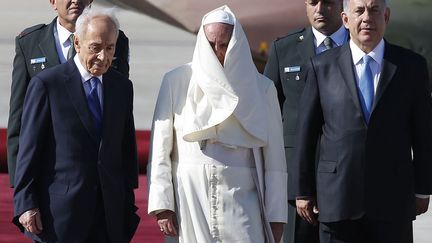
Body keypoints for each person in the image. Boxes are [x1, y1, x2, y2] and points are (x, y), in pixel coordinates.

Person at [293, 0, 432, 242]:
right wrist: (303, 190)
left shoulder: (411, 66)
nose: (367, 17)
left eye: (374, 10)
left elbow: (424, 133)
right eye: (359, 10)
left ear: (386, 16)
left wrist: (423, 187)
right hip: (338, 201)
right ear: (346, 20)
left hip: (392, 201)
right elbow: (306, 134)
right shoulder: (321, 67)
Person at [147, 5, 287, 243]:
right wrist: (163, 205)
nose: (217, 52)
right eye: (211, 45)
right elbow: (160, 149)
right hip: (190, 196)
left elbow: (275, 162)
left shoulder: (262, 88)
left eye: (224, 45)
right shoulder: (175, 81)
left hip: (242, 198)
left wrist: (276, 218)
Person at [13, 8, 139, 243]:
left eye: (110, 48)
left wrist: (128, 205)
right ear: (77, 43)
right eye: (96, 48)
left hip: (109, 215)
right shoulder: (47, 84)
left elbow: (126, 149)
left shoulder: (121, 87)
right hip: (59, 215)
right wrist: (26, 203)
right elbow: (29, 149)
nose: (103, 57)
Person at [7, 0, 130, 187]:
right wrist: (20, 187)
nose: (75, 1)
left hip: (98, 176)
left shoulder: (114, 39)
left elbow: (118, 114)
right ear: (53, 2)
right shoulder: (30, 42)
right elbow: (19, 119)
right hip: (49, 173)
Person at [263, 0, 348, 242]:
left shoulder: (359, 47)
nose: (320, 9)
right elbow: (267, 114)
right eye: (313, 2)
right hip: (296, 182)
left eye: (328, 2)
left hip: (346, 177)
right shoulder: (285, 49)